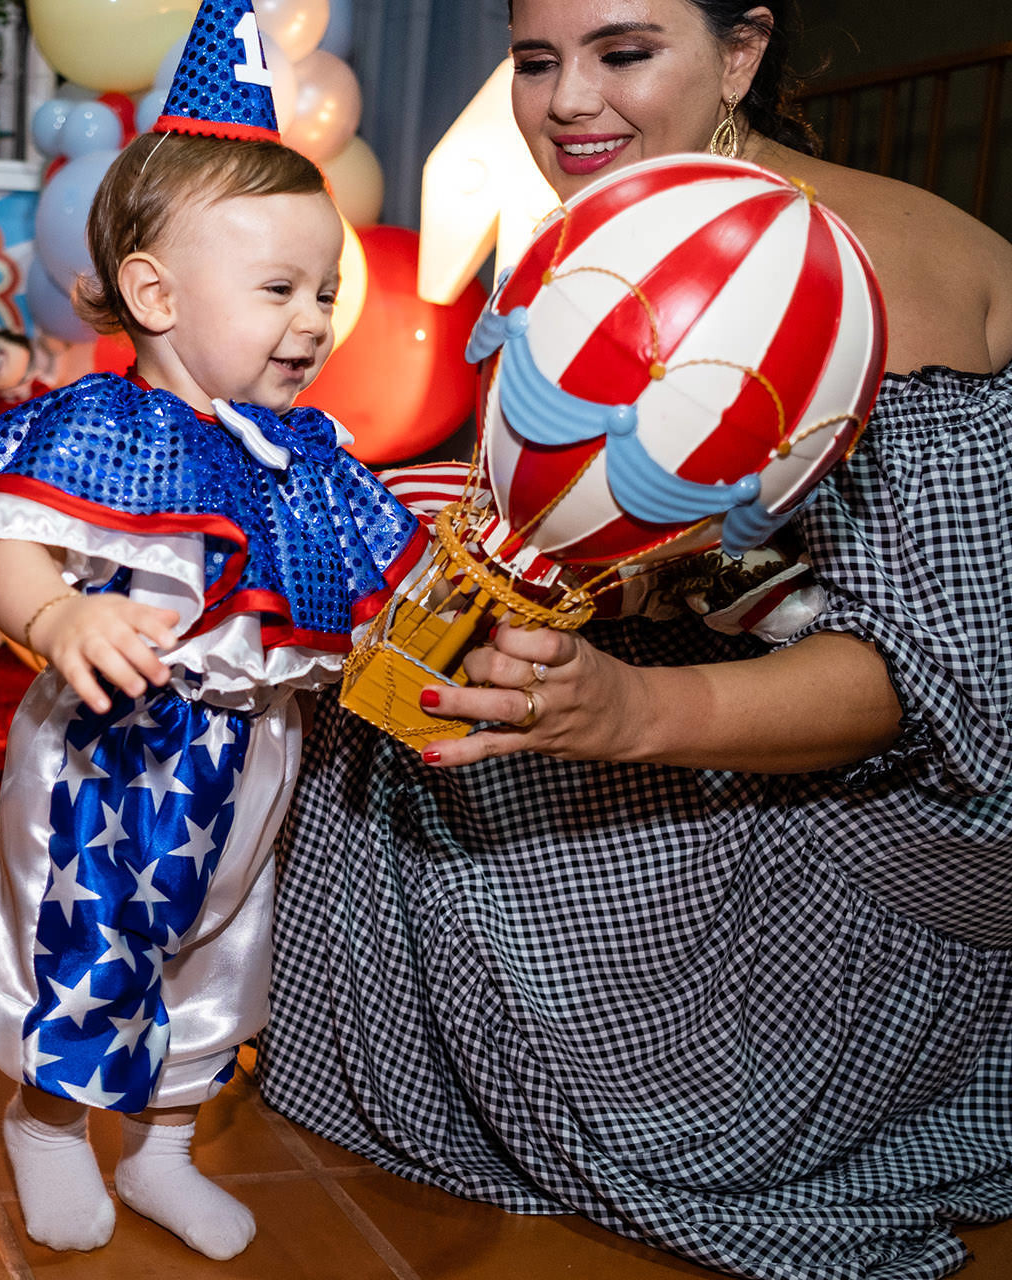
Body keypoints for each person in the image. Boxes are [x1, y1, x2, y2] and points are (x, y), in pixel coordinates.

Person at [258, 1, 1012, 1277]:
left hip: (914, 807)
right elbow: (674, 538)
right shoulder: (624, 226)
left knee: (473, 763)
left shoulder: (862, 269)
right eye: (535, 61)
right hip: (763, 669)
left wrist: (628, 712)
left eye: (623, 53)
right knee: (392, 682)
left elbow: (933, 678)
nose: (566, 101)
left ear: (741, 52)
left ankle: (695, 1098)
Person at [0, 0, 423, 1257]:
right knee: (95, 940)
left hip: (255, 753)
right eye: (280, 289)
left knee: (218, 950)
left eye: (326, 290)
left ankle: (165, 1147)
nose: (315, 318)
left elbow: (381, 569)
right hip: (110, 755)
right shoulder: (100, 425)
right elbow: (7, 539)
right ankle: (46, 1122)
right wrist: (57, 610)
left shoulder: (308, 450)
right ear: (154, 292)